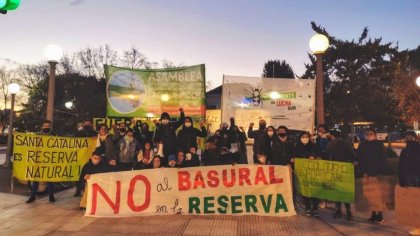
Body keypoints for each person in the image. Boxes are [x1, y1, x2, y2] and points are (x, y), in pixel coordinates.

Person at [356, 128, 387, 224]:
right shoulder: (362, 145)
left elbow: (383, 159)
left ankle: (380, 215)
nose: (369, 135)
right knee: (370, 195)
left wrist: (380, 172)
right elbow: (359, 159)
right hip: (366, 174)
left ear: (374, 135)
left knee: (378, 195)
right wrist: (363, 172)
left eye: (371, 134)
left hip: (377, 173)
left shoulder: (379, 145)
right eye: (367, 134)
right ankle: (373, 214)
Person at [326, 130, 356, 220]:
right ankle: (346, 212)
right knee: (341, 191)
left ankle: (343, 211)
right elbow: (352, 154)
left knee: (340, 191)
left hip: (338, 169)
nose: (328, 136)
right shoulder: (341, 143)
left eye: (329, 135)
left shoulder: (337, 144)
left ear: (332, 136)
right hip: (342, 169)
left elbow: (351, 154)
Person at [27, 120, 56, 203]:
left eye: (47, 126)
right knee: (35, 179)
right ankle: (33, 196)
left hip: (49, 160)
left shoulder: (54, 135)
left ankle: (51, 196)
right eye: (45, 125)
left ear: (50, 126)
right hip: (38, 160)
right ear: (42, 126)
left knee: (49, 179)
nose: (46, 127)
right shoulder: (38, 135)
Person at [292, 131, 321, 217]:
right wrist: (293, 160)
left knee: (314, 189)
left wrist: (314, 157)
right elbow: (293, 156)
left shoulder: (314, 146)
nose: (305, 138)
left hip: (313, 172)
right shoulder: (296, 147)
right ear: (300, 138)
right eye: (303, 136)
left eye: (306, 136)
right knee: (305, 190)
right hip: (302, 173)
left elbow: (319, 154)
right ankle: (308, 208)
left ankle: (315, 208)